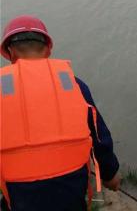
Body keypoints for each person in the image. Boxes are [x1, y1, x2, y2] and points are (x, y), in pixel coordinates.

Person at [0, 15, 121, 211]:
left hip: (21, 200)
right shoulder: (74, 84)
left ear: (10, 53)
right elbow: (99, 137)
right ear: (48, 50)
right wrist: (110, 175)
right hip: (70, 197)